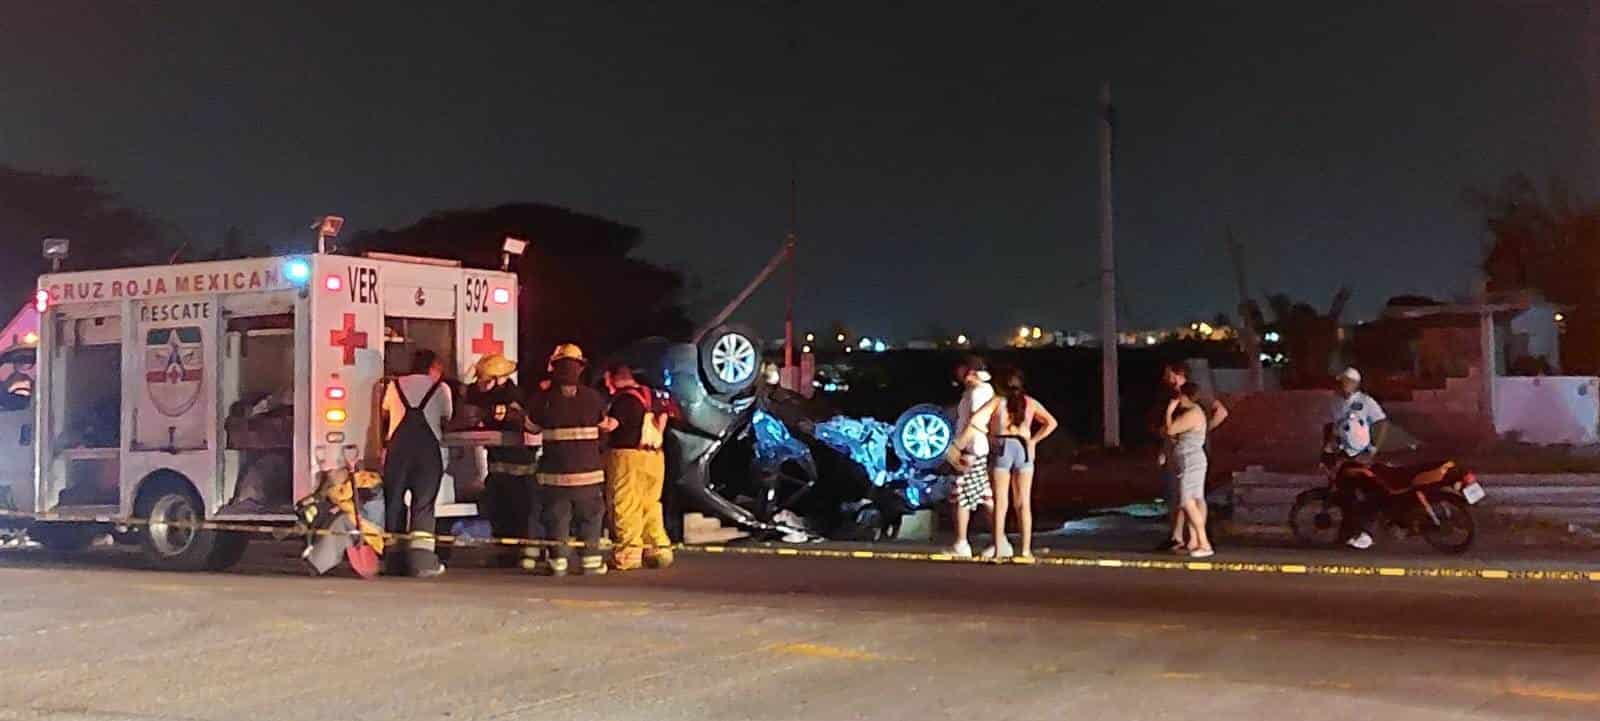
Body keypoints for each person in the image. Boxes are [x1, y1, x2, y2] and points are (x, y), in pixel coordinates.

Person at [949, 368, 1059, 560]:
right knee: (1023, 503)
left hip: (1002, 447)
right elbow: (1051, 422)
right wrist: (1033, 440)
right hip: (1023, 449)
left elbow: (976, 420)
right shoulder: (1029, 402)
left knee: (1001, 502)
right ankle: (1025, 550)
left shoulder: (998, 402)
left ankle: (999, 547)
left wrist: (959, 444)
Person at [526, 344, 615, 576]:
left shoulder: (544, 399)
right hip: (588, 476)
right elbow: (605, 425)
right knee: (591, 518)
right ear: (580, 369)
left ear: (554, 369)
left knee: (557, 520)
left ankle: (558, 562)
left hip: (555, 478)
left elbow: (531, 427)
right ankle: (591, 563)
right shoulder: (593, 398)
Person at [381, 349, 453, 578]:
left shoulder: (395, 385)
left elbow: (385, 412)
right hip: (427, 455)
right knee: (423, 504)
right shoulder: (440, 389)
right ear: (432, 367)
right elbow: (447, 417)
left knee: (394, 503)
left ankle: (393, 560)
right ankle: (421, 562)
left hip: (397, 452)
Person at [465, 353, 536, 567]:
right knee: (499, 509)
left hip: (518, 466)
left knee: (517, 511)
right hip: (498, 465)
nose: (479, 383)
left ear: (496, 379)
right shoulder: (490, 395)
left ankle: (522, 553)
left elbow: (518, 422)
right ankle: (506, 553)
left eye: (483, 379)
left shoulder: (513, 398)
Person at [603, 363, 673, 571]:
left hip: (628, 457)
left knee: (625, 504)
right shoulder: (653, 396)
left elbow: (610, 425)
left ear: (612, 378)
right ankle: (659, 550)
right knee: (650, 504)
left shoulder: (624, 400)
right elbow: (664, 419)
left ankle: (628, 555)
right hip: (655, 456)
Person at [1154, 362, 1229, 552]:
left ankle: (1196, 538)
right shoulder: (1175, 396)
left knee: (1187, 496)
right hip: (1181, 450)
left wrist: (1202, 431)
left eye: (1169, 374)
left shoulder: (1194, 394)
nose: (1166, 379)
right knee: (1185, 495)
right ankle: (1183, 537)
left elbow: (1221, 412)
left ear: (1178, 375)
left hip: (1191, 452)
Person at [1325, 367, 1390, 550]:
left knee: (1369, 492)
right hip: (1345, 454)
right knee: (1345, 494)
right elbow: (1336, 427)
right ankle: (1348, 532)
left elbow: (1382, 423)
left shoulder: (1366, 402)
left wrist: (1374, 448)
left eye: (1348, 381)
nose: (1345, 385)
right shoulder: (1335, 403)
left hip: (1363, 455)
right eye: (1343, 381)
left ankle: (1366, 532)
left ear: (1356, 384)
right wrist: (1330, 446)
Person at [941, 355, 996, 559]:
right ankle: (998, 541)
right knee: (984, 497)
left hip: (973, 451)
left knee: (961, 497)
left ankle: (962, 543)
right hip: (975, 450)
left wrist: (958, 447)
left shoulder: (978, 393)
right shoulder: (975, 392)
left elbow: (975, 422)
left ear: (970, 371)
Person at [1164, 382, 1214, 558]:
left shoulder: (1193, 413)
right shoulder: (1197, 412)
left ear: (1185, 396)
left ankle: (1204, 542)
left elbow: (1171, 430)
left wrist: (1169, 411)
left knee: (1186, 501)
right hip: (1193, 460)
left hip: (1191, 461)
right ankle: (1196, 541)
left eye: (1180, 397)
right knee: (1195, 499)